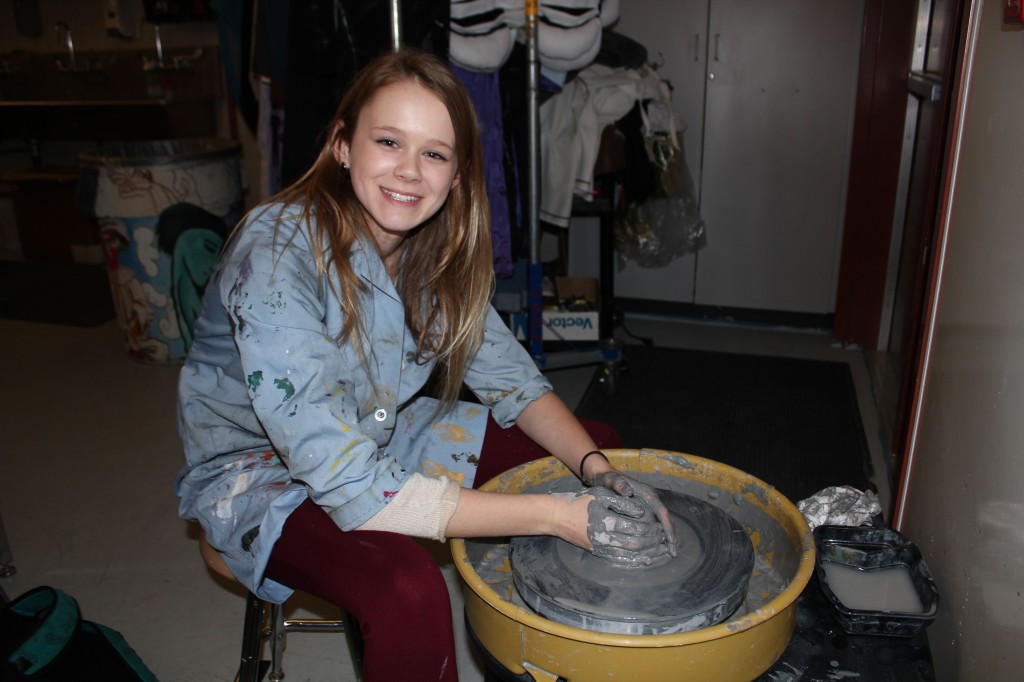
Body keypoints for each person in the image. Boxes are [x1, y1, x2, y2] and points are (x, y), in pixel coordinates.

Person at [176, 47, 678, 681]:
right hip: (257, 473)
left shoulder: (431, 256)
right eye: (388, 141)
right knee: (407, 589)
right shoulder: (278, 252)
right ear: (342, 145)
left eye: (435, 153)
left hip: (378, 432)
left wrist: (597, 471)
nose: (409, 171)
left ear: (458, 174)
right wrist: (551, 516)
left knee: (593, 448)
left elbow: (515, 385)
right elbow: (351, 483)